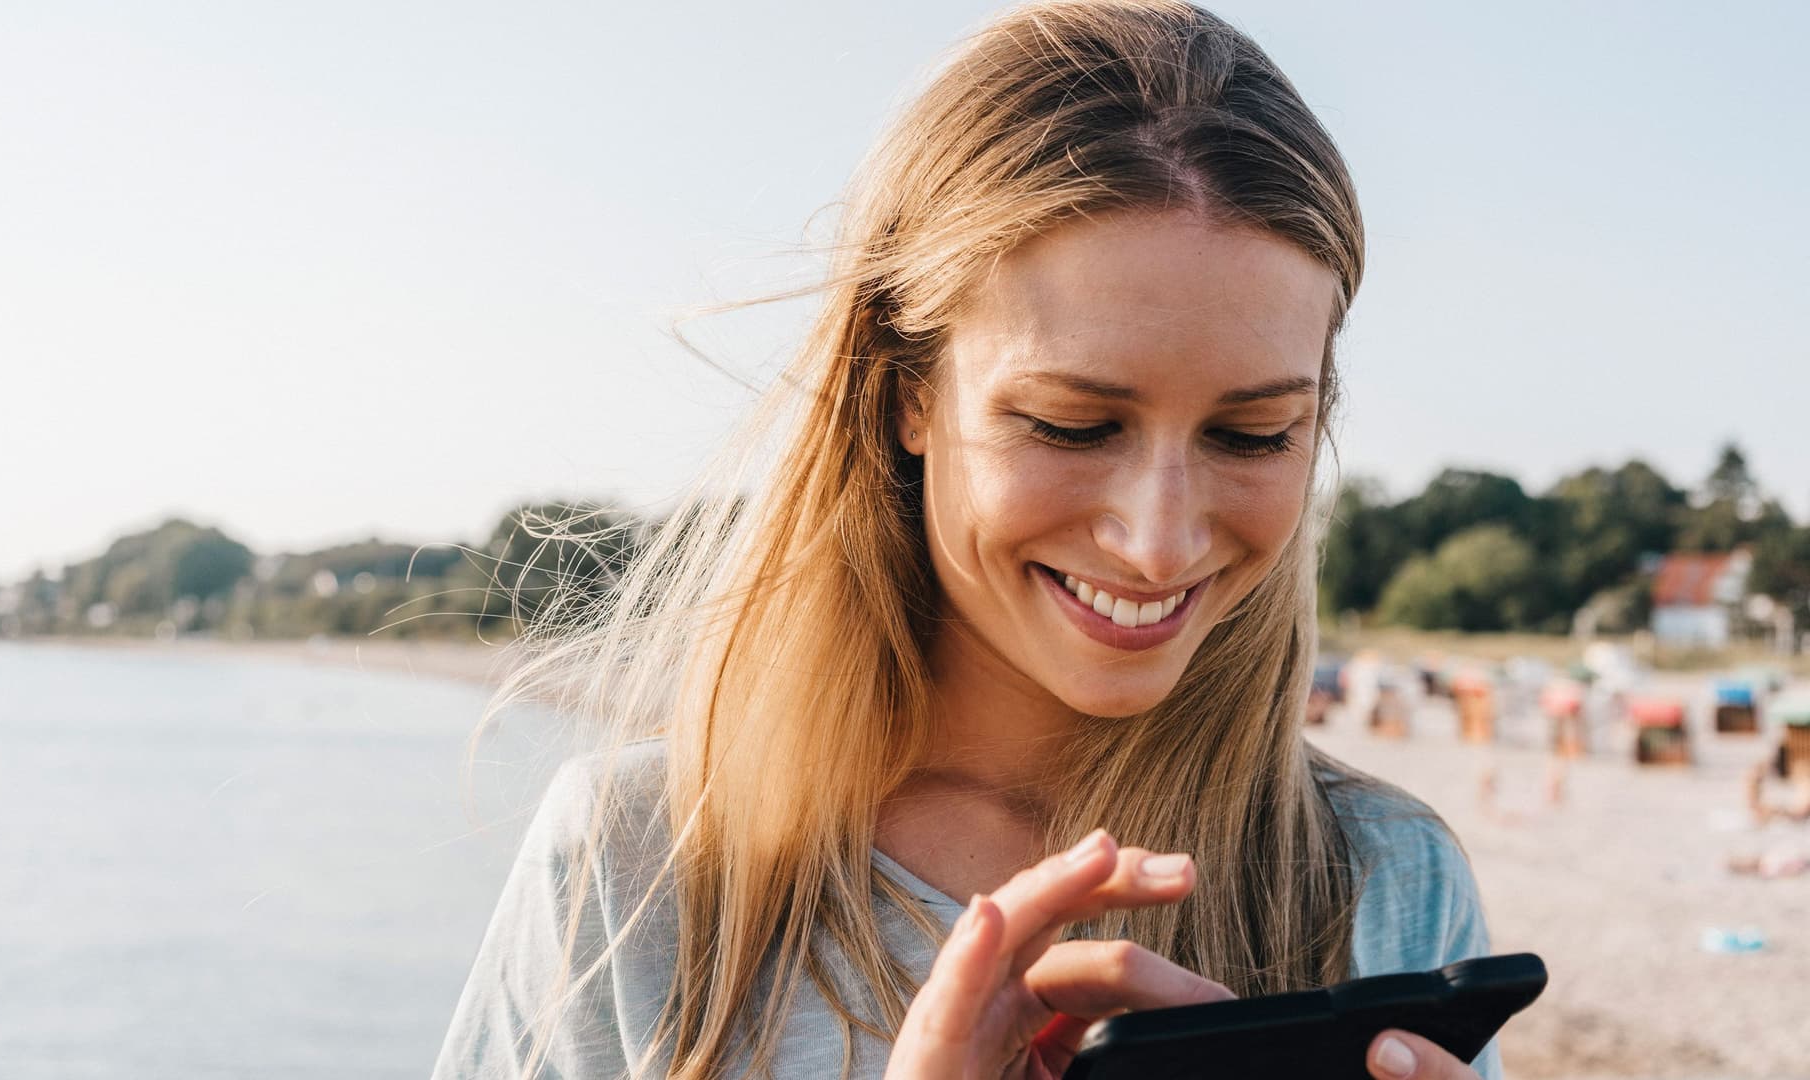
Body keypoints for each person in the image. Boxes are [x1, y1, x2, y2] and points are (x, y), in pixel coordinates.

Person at [433, 2, 1500, 1077]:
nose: (1159, 543)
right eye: (1070, 425)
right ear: (904, 390)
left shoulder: (1384, 878)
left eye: (1252, 435)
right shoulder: (640, 863)